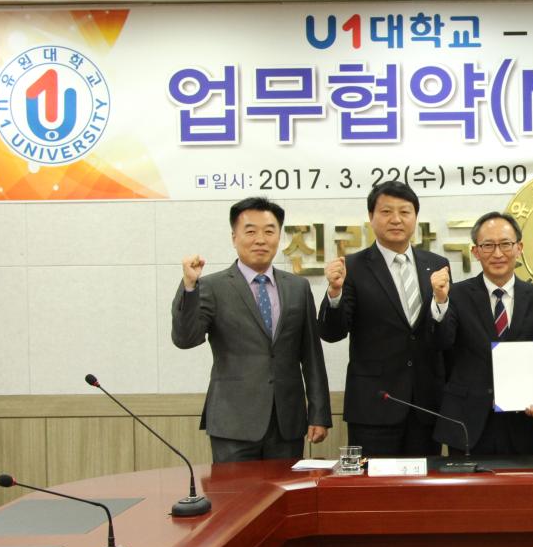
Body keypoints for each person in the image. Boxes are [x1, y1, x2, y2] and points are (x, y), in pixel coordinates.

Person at [171, 196, 330, 462]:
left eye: (269, 231)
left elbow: (312, 355)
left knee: (286, 489)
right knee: (236, 490)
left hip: (286, 422)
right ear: (234, 237)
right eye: (251, 231)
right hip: (233, 422)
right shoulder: (211, 287)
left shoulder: (298, 287)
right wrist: (189, 288)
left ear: (279, 236)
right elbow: (185, 338)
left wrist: (319, 413)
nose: (260, 240)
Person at [318, 181, 450, 457]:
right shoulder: (353, 267)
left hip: (425, 405)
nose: (396, 219)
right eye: (386, 211)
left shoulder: (436, 265)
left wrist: (441, 303)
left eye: (405, 211)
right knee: (372, 483)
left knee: (425, 483)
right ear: (371, 217)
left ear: (415, 217)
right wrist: (334, 293)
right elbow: (332, 333)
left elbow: (444, 335)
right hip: (374, 406)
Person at [430, 212, 533, 455]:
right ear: (475, 252)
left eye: (505, 244)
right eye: (488, 245)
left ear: (519, 248)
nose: (497, 254)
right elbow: (441, 342)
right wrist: (440, 300)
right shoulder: (455, 295)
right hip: (466, 424)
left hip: (522, 423)